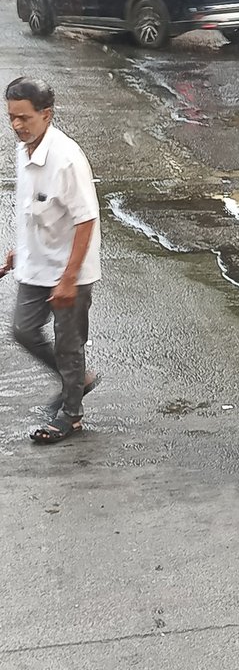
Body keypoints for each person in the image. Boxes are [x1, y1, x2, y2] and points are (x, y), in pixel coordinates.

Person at [2, 77, 101, 444]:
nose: (16, 125)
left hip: (69, 269)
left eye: (24, 118)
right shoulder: (24, 148)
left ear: (47, 115)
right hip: (35, 263)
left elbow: (86, 219)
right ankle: (80, 379)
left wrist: (69, 278)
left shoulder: (67, 159)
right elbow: (35, 208)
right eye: (11, 117)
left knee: (68, 344)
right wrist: (18, 251)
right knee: (24, 330)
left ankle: (71, 415)